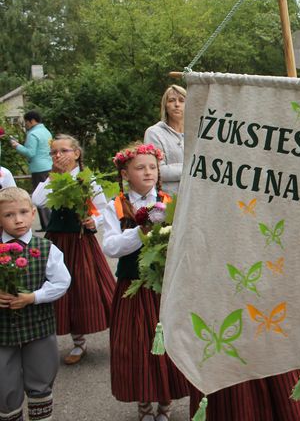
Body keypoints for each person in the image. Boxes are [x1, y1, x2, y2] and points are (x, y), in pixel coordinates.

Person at [101, 143, 189, 421]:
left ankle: (165, 401)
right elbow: (111, 247)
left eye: (153, 167)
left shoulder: (170, 201)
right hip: (133, 286)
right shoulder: (116, 205)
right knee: (136, 346)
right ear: (125, 174)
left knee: (168, 343)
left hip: (164, 286)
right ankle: (143, 403)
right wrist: (141, 231)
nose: (148, 172)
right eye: (140, 167)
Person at [31, 134, 115, 365]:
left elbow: (104, 209)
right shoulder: (54, 179)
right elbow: (37, 200)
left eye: (63, 151)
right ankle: (78, 342)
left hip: (80, 241)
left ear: (76, 153)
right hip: (57, 240)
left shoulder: (87, 179)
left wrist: (93, 221)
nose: (58, 155)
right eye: (54, 152)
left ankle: (117, 333)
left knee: (86, 287)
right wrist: (53, 175)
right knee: (60, 288)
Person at [0, 187, 70, 421]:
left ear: (32, 213)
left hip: (38, 326)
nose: (18, 220)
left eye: (23, 212)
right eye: (8, 215)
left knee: (41, 377)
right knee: (4, 383)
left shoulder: (46, 248)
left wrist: (34, 297)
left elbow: (61, 281)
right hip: (2, 332)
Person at [10, 111, 52, 229]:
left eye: (26, 122)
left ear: (32, 121)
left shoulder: (33, 134)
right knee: (49, 194)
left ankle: (46, 224)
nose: (26, 125)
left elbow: (30, 153)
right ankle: (50, 222)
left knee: (40, 196)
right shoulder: (46, 132)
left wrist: (17, 146)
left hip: (38, 168)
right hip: (49, 166)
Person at [144, 85, 185, 195]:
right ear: (165, 106)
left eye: (181, 100)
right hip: (167, 198)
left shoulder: (196, 134)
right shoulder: (154, 133)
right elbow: (157, 171)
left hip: (193, 197)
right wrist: (191, 169)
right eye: (172, 100)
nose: (177, 104)